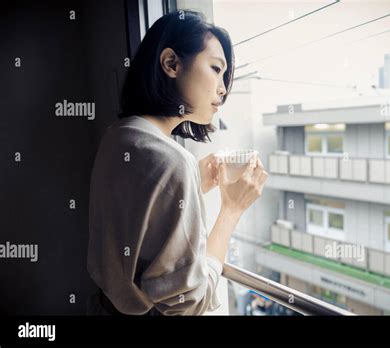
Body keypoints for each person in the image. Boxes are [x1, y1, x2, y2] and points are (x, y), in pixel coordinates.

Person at [86, 9, 268, 316]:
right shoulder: (173, 161)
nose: (223, 89)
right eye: (215, 69)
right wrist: (232, 210)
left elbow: (136, 215)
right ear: (171, 63)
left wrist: (192, 181)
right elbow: (188, 305)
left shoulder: (118, 135)